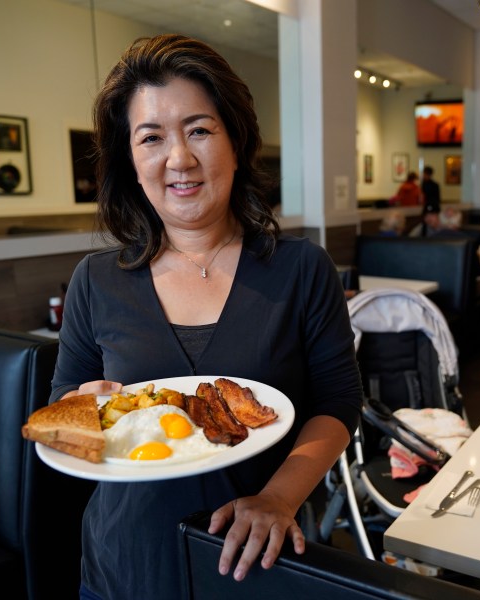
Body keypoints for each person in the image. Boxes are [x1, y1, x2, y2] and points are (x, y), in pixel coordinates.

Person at [49, 34, 362, 599]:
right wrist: (79, 411)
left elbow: (338, 402)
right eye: (151, 137)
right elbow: (64, 417)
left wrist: (280, 498)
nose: (179, 159)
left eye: (199, 129)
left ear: (236, 142)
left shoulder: (301, 269)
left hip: (250, 560)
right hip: (125, 561)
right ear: (131, 159)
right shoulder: (95, 280)